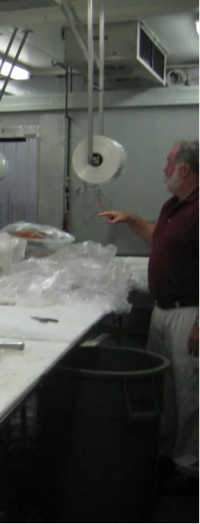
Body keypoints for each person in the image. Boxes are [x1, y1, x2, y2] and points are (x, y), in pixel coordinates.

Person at [98, 140, 198, 493]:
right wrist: (132, 220)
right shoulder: (175, 205)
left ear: (184, 170)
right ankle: (167, 452)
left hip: (190, 313)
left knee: (190, 393)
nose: (163, 170)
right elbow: (159, 238)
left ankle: (189, 467)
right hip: (163, 310)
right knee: (167, 388)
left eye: (168, 164)